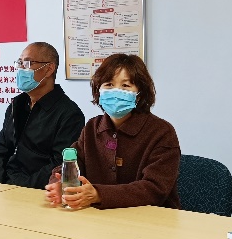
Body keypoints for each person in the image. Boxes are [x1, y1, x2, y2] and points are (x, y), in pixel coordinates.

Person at [45, 53, 181, 210]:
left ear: (139, 94)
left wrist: (99, 194)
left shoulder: (162, 132)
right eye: (109, 84)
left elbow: (155, 189)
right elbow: (71, 162)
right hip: (99, 216)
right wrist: (60, 183)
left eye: (126, 85)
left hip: (152, 217)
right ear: (99, 90)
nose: (116, 91)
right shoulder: (92, 127)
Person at [0, 42, 85, 188]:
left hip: (38, 190)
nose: (21, 69)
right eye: (20, 63)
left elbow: (60, 164)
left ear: (49, 69)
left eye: (27, 63)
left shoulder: (70, 114)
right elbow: (2, 149)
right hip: (4, 186)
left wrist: (22, 188)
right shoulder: (16, 105)